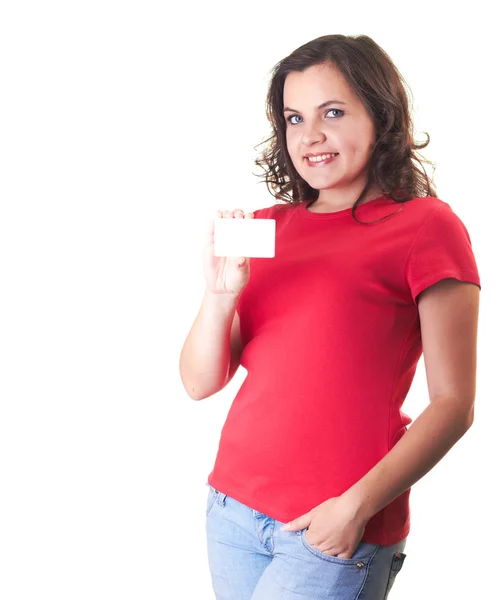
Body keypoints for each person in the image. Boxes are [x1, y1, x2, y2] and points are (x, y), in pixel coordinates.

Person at [179, 33, 481, 600]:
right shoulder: (266, 228)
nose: (310, 135)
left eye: (333, 112)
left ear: (381, 115)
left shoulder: (426, 227)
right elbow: (199, 383)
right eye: (294, 118)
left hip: (334, 526)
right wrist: (220, 296)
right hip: (233, 511)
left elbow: (454, 405)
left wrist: (355, 508)